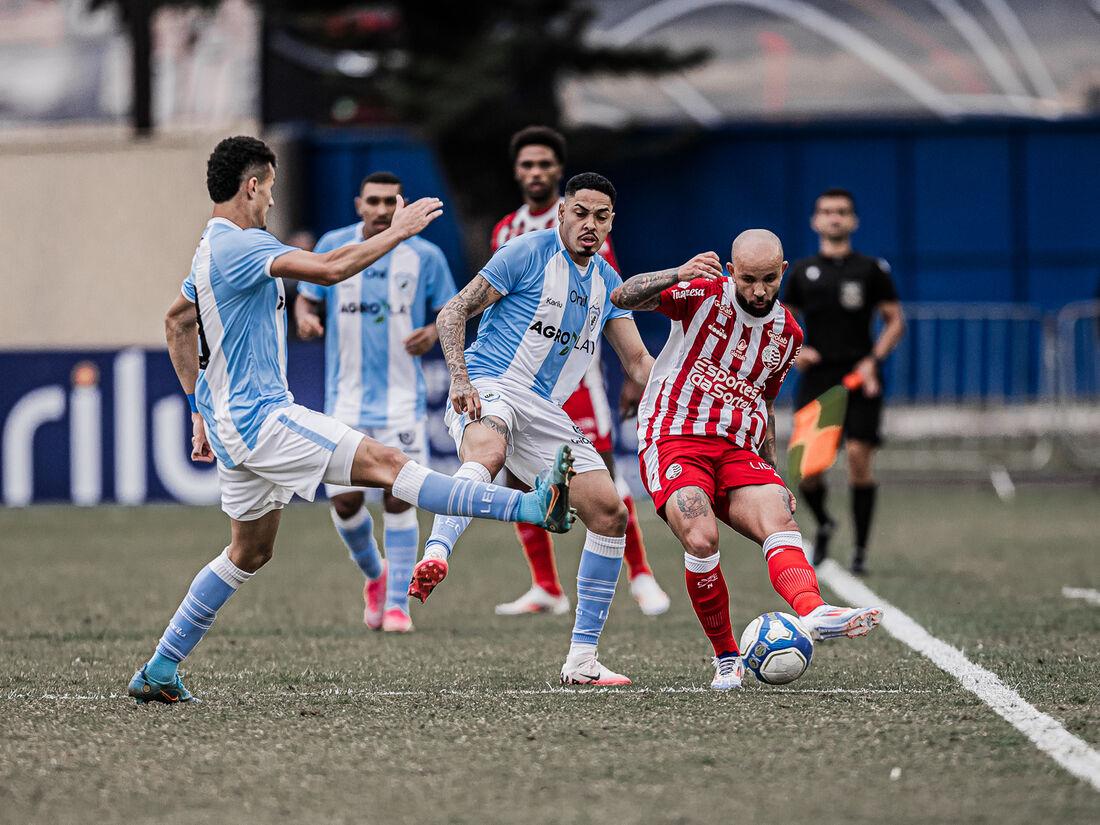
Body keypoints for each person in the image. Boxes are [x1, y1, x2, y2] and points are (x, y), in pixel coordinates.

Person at [128, 136, 574, 704]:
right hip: (261, 418)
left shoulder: (209, 247)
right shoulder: (241, 245)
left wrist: (198, 407)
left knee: (249, 551)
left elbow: (175, 322)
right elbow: (332, 268)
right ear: (252, 185)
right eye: (270, 185)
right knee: (391, 466)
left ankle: (161, 667)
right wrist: (398, 231)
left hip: (232, 424)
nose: (271, 199)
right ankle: (532, 506)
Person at [408, 172, 657, 685]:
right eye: (581, 213)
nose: (590, 224)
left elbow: (638, 362)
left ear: (612, 223)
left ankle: (582, 662)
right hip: (490, 381)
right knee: (488, 449)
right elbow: (454, 310)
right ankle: (436, 553)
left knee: (610, 514)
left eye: (601, 217)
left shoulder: (608, 283)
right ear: (563, 212)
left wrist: (691, 390)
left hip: (545, 411)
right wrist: (459, 377)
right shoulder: (527, 251)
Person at [610, 229, 883, 690]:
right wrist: (678, 272)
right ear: (732, 272)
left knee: (779, 516)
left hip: (737, 446)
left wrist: (773, 470)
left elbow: (765, 400)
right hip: (674, 436)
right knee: (700, 538)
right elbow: (623, 296)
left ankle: (814, 610)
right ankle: (726, 658)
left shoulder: (788, 334)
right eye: (749, 279)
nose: (759, 291)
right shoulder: (700, 294)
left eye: (770, 280)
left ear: (784, 272)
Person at [490, 125, 669, 618]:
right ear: (517, 172)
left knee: (604, 479)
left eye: (544, 164)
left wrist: (635, 374)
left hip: (579, 381)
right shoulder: (507, 231)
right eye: (526, 165)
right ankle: (546, 587)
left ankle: (642, 576)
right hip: (520, 378)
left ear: (558, 173)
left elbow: (611, 302)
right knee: (518, 475)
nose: (535, 172)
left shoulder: (586, 222)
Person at [295, 171, 457, 633]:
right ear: (358, 204)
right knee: (345, 503)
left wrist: (432, 330)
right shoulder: (334, 243)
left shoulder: (425, 255)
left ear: (400, 203)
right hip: (344, 399)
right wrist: (306, 319)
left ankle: (397, 607)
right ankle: (376, 575)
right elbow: (307, 296)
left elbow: (450, 309)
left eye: (391, 201)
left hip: (402, 400)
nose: (383, 209)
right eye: (374, 201)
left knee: (399, 499)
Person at [782, 187, 906, 575]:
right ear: (815, 221)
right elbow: (779, 319)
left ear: (853, 220)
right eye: (827, 212)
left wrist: (873, 360)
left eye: (842, 212)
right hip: (819, 377)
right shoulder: (802, 271)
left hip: (861, 373)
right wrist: (796, 352)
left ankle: (859, 552)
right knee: (809, 469)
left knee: (857, 457)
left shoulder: (871, 270)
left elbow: (895, 320)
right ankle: (823, 522)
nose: (834, 218)